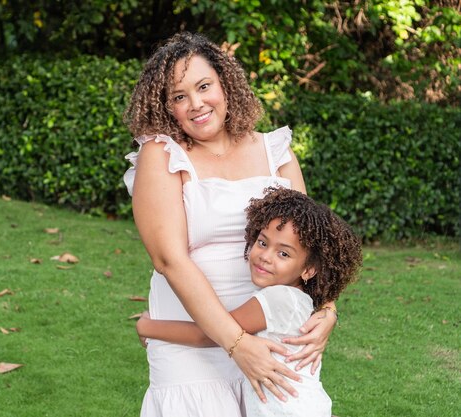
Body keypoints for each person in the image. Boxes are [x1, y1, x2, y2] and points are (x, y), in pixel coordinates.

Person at [123, 32, 338, 415]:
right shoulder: (161, 155)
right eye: (179, 96)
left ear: (225, 83)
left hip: (273, 332)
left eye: (204, 86)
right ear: (166, 106)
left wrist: (327, 310)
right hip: (190, 338)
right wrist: (237, 343)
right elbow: (169, 260)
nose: (196, 104)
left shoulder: (274, 151)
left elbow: (311, 241)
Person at [135, 187, 363, 416]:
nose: (265, 256)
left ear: (309, 270)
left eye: (283, 254)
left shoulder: (278, 299)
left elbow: (209, 333)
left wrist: (147, 326)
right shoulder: (299, 300)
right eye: (263, 243)